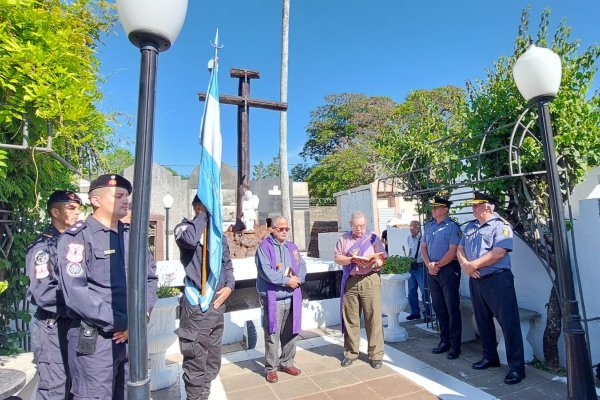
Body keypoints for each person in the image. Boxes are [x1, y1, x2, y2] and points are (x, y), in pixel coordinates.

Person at [57, 174, 158, 399]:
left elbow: (149, 280)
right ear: (96, 200)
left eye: (127, 196)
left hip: (131, 338)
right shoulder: (78, 238)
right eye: (118, 195)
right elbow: (75, 292)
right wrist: (120, 322)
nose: (126, 201)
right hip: (97, 341)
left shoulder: (134, 237)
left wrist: (139, 319)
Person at [457, 191, 525, 385]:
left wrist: (473, 266)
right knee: (483, 320)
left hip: (498, 280)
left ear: (488, 206)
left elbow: (498, 253)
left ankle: (516, 368)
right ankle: (490, 357)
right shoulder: (470, 226)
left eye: (477, 205)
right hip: (476, 279)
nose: (473, 208)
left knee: (508, 324)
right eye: (473, 205)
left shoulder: (501, 226)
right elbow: (460, 249)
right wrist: (465, 266)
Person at [174, 195, 234, 400]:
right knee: (195, 362)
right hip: (197, 307)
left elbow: (227, 264)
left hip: (217, 306)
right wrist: (202, 216)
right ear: (199, 208)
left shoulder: (218, 235)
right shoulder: (184, 228)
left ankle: (204, 395)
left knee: (212, 361)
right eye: (210, 209)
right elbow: (190, 240)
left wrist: (230, 286)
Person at [26, 190, 81, 400]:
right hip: (53, 325)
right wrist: (79, 307)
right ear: (55, 212)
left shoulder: (72, 243)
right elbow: (43, 292)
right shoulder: (43, 246)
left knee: (73, 384)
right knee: (55, 388)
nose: (77, 213)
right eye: (71, 208)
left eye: (78, 208)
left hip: (72, 323)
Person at [255, 215, 306, 383]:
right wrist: (288, 281)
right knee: (272, 334)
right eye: (281, 229)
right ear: (273, 229)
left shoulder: (292, 247)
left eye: (287, 229)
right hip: (273, 299)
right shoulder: (264, 247)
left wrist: (299, 279)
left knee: (292, 332)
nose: (284, 231)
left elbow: (302, 265)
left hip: (292, 297)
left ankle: (287, 362)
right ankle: (271, 368)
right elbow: (266, 272)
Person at [334, 211, 386, 369]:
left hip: (370, 279)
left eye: (362, 226)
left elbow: (382, 256)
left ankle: (376, 355)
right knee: (351, 318)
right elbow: (337, 257)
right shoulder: (343, 239)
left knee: (374, 318)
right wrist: (352, 259)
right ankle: (351, 352)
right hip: (351, 280)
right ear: (350, 224)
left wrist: (377, 262)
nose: (360, 229)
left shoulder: (373, 238)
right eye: (356, 226)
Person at [421, 196, 462, 360]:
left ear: (445, 209)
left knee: (452, 307)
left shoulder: (453, 227)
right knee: (439, 307)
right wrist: (429, 264)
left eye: (436, 207)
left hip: (448, 269)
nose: (433, 210)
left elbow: (453, 250)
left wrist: (436, 265)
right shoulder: (429, 226)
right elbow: (423, 247)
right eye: (432, 208)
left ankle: (455, 345)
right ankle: (444, 341)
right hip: (432, 270)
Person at [405, 220, 431, 322]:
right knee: (411, 291)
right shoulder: (409, 239)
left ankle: (427, 313)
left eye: (413, 227)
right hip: (411, 267)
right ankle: (415, 312)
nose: (411, 229)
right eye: (410, 227)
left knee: (424, 291)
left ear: (418, 228)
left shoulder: (423, 238)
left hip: (420, 267)